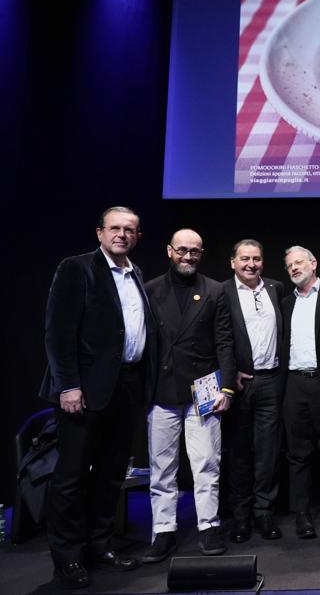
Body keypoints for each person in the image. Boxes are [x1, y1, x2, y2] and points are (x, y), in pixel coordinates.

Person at [40, 206, 155, 589]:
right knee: (71, 477)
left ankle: (100, 546)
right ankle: (68, 558)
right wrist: (68, 385)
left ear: (138, 236)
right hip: (84, 391)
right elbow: (58, 333)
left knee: (111, 475)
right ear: (100, 233)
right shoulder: (77, 268)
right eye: (115, 228)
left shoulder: (136, 273)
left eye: (130, 229)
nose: (122, 234)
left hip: (126, 387)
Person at [141, 229, 235, 563]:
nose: (188, 256)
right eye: (182, 250)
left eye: (194, 251)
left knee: (207, 463)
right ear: (169, 251)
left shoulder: (214, 290)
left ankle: (209, 526)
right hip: (162, 390)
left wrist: (226, 387)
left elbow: (224, 340)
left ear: (201, 253)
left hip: (203, 388)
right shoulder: (150, 289)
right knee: (161, 467)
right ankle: (163, 531)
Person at [221, 239, 285, 544]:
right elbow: (216, 337)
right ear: (232, 262)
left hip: (271, 381)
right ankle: (241, 516)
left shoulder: (275, 288)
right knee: (239, 453)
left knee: (268, 453)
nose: (251, 264)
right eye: (244, 258)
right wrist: (230, 371)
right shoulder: (222, 291)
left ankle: (264, 513)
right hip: (240, 384)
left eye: (256, 259)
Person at [280, 246, 320, 539]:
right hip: (295, 384)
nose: (294, 268)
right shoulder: (285, 303)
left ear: (314, 263)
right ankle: (302, 513)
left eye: (299, 262)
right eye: (289, 265)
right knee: (298, 454)